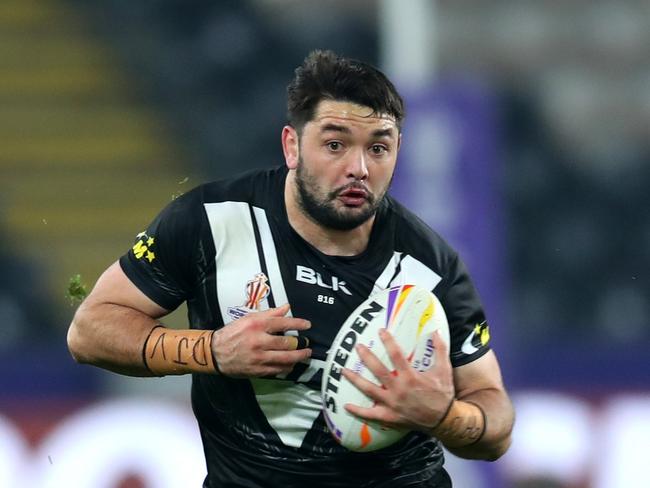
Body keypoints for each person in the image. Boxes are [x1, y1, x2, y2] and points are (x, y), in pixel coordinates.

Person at [67, 50, 514, 487]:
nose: (358, 168)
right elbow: (89, 331)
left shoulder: (431, 267)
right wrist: (212, 350)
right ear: (292, 146)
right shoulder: (210, 222)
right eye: (335, 144)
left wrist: (444, 416)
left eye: (379, 147)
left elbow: (494, 416)